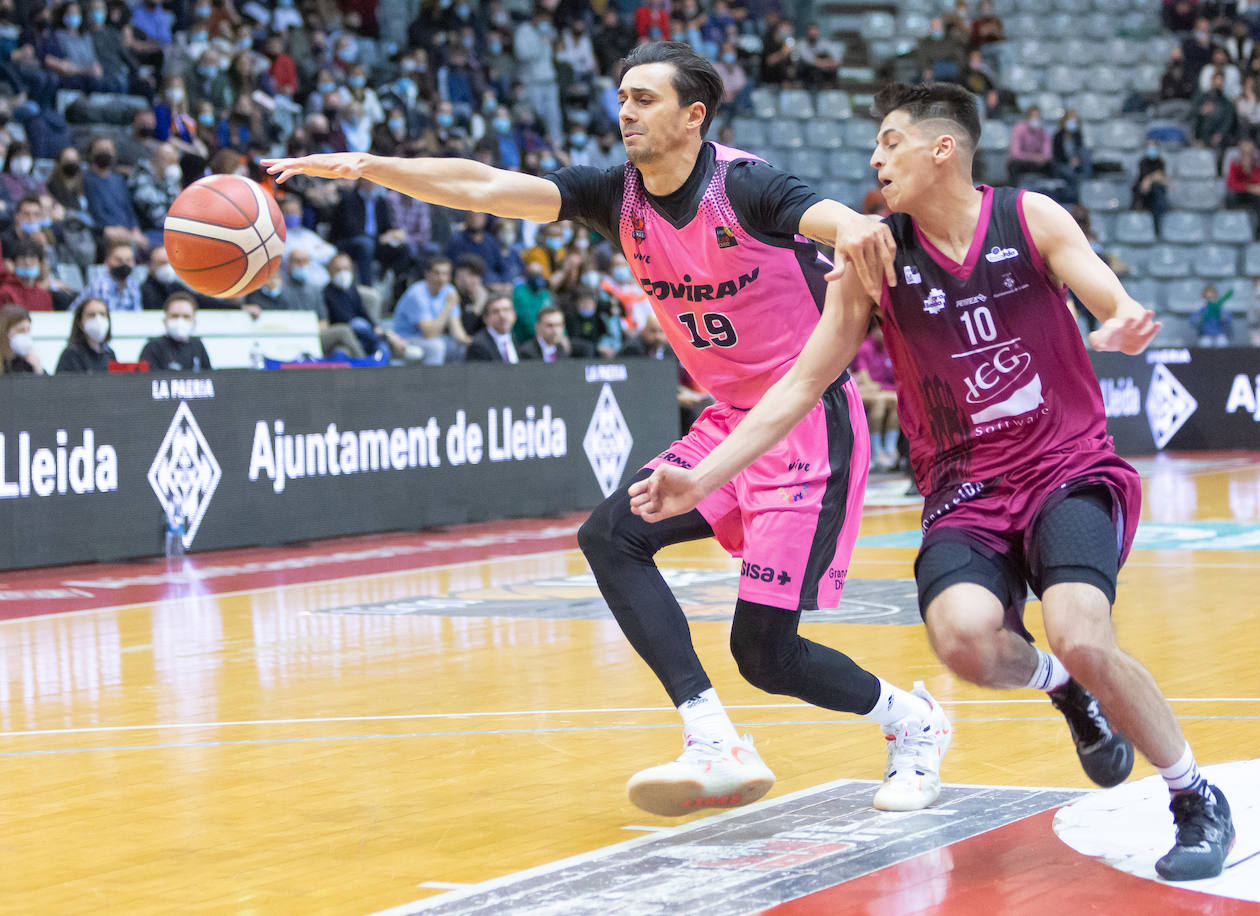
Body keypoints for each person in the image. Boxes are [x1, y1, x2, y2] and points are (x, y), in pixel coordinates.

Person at [263, 40, 948, 820]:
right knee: (612, 535)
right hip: (728, 422)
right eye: (622, 95)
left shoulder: (744, 185)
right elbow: (486, 185)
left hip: (806, 427)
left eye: (645, 98)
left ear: (694, 116)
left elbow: (820, 212)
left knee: (765, 655)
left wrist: (855, 227)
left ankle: (914, 724)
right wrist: (372, 166)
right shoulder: (610, 194)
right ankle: (712, 739)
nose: (625, 110)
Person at [629, 82, 1235, 882]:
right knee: (963, 644)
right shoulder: (873, 255)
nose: (875, 158)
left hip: (1067, 467)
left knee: (1082, 631)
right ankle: (1065, 689)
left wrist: (1119, 317)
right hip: (964, 491)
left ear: (941, 148)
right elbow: (800, 384)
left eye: (889, 141)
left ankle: (1194, 796)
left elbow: (1101, 289)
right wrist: (699, 472)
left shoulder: (1030, 217)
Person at [392, 256, 469, 365]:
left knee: (461, 347)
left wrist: (468, 341)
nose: (442, 278)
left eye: (446, 274)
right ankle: (433, 381)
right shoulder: (417, 294)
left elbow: (456, 330)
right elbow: (429, 333)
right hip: (405, 339)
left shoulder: (449, 290)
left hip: (431, 338)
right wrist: (447, 306)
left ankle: (455, 380)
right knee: (436, 346)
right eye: (437, 273)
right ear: (427, 274)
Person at [851, 323, 900, 472]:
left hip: (884, 391)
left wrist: (885, 388)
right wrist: (886, 388)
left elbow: (896, 380)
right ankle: (876, 451)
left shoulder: (889, 348)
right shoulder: (864, 348)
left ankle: (890, 448)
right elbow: (868, 384)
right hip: (865, 392)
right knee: (879, 402)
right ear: (875, 330)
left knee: (898, 401)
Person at [139, 291, 212, 371]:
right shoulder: (153, 347)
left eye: (186, 316)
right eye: (174, 316)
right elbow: (146, 380)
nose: (180, 321)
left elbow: (210, 377)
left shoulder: (198, 346)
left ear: (194, 321)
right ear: (165, 320)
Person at [55, 297, 116, 372]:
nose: (98, 319)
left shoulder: (109, 354)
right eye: (91, 315)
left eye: (102, 314)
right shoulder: (71, 355)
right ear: (80, 323)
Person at [518, 305, 593, 361]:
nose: (555, 331)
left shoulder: (561, 349)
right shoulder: (527, 352)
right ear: (538, 327)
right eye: (550, 326)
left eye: (559, 325)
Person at [465, 296, 520, 363]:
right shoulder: (478, 345)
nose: (502, 315)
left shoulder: (515, 338)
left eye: (506, 310)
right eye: (495, 312)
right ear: (485, 319)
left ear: (514, 315)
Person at [1, 303, 44, 374]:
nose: (25, 335)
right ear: (4, 332)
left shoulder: (27, 361)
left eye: (28, 330)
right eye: (20, 330)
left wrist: (38, 369)